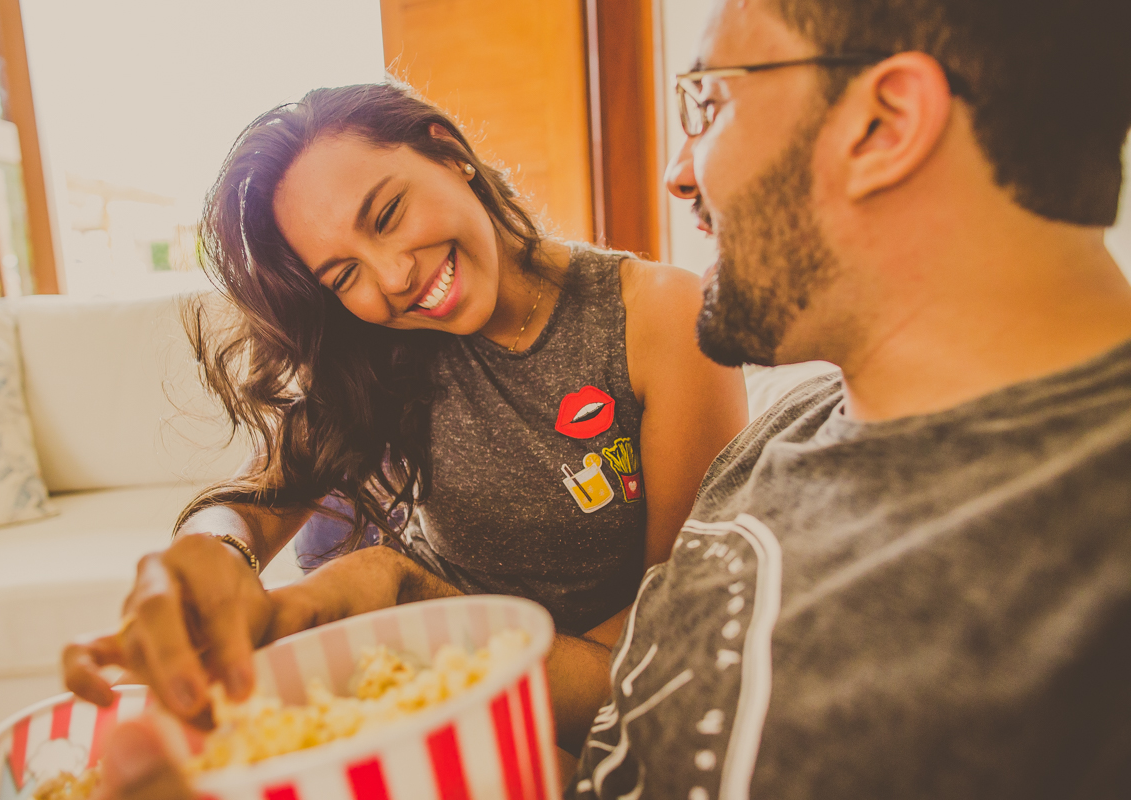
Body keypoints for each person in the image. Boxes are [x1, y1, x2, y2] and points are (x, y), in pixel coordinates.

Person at [73, 0, 1131, 797]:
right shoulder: (804, 437)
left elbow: (644, 659)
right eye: (343, 272)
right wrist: (242, 559)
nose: (679, 175)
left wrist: (401, 615)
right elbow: (661, 670)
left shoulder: (665, 324)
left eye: (708, 100)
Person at [63, 82, 746, 728]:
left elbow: (671, 633)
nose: (393, 278)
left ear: (449, 153)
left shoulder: (658, 317)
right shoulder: (381, 344)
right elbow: (255, 501)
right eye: (344, 275)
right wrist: (212, 552)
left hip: (565, 692)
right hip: (414, 669)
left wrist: (399, 589)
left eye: (387, 215)